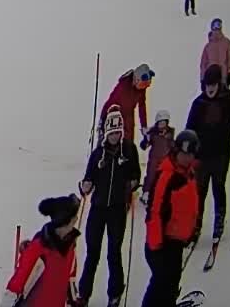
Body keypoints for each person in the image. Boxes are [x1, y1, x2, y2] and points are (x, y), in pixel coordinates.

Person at [78, 108, 141, 306]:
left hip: (117, 209)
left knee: (114, 252)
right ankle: (84, 294)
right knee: (92, 253)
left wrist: (133, 182)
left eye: (118, 132)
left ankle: (115, 292)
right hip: (98, 208)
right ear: (106, 133)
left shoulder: (129, 150)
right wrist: (85, 186)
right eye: (112, 133)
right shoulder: (98, 154)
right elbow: (88, 179)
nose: (115, 136)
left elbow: (136, 174)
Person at [141, 131, 202, 307]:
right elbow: (155, 211)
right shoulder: (167, 175)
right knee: (161, 285)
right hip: (162, 243)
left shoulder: (188, 173)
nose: (187, 158)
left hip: (176, 242)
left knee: (171, 283)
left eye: (190, 154)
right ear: (176, 152)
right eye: (183, 154)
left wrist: (190, 231)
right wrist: (156, 245)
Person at [187, 63, 230, 245]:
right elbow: (190, 127)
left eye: (213, 85)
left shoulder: (228, 98)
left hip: (221, 152)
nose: (210, 89)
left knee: (218, 187)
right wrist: (189, 146)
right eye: (207, 86)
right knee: (199, 190)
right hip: (202, 155)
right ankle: (195, 226)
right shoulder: (198, 103)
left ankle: (219, 221)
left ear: (218, 84)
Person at [2, 194, 81, 307]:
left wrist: (73, 302)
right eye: (73, 220)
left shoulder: (70, 248)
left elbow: (70, 279)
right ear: (62, 223)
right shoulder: (39, 250)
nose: (76, 220)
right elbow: (15, 287)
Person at [100, 64, 154, 143]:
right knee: (113, 139)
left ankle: (127, 152)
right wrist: (103, 120)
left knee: (128, 141)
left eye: (147, 85)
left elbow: (142, 106)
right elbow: (110, 102)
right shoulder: (123, 87)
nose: (145, 87)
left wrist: (144, 126)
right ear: (136, 80)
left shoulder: (141, 90)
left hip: (129, 117)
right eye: (143, 84)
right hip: (115, 115)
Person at [139, 110, 175, 207]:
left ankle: (163, 194)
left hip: (165, 160)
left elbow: (173, 146)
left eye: (164, 123)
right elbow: (143, 146)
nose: (162, 125)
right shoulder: (153, 134)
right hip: (154, 159)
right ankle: (146, 193)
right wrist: (146, 138)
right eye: (160, 123)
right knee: (151, 175)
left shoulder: (169, 134)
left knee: (164, 177)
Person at [199, 19, 230, 87]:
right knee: (222, 95)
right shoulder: (227, 42)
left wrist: (202, 79)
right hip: (223, 76)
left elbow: (203, 64)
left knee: (211, 96)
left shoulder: (208, 46)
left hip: (210, 77)